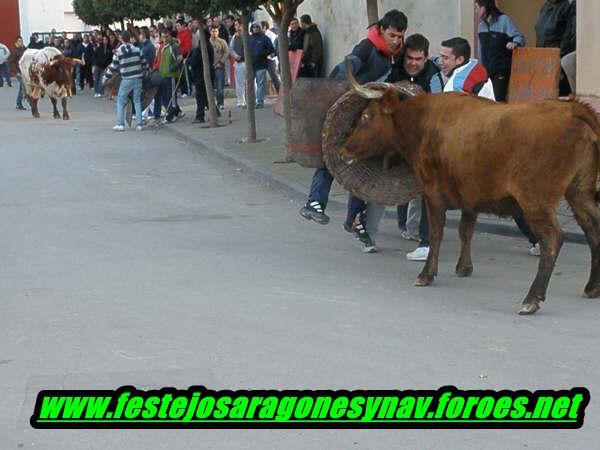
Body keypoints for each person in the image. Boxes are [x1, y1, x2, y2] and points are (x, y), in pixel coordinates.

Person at [300, 9, 407, 253]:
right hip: (346, 116)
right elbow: (342, 71)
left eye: (400, 36)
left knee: (362, 170)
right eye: (392, 35)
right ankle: (315, 202)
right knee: (330, 158)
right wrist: (337, 101)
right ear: (381, 30)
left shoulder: (388, 55)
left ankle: (354, 221)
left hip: (366, 121)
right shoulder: (366, 49)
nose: (396, 41)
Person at [424, 37, 540, 259]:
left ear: (459, 58)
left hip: (478, 146)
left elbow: (451, 119)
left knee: (507, 194)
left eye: (446, 58)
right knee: (509, 194)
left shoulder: (459, 83)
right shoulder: (472, 66)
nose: (441, 61)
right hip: (489, 138)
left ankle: (427, 243)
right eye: (441, 56)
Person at [390, 33, 444, 259]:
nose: (413, 63)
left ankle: (426, 242)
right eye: (409, 58)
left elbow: (439, 112)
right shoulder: (395, 71)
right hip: (402, 138)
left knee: (426, 189)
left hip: (427, 140)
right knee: (404, 180)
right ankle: (405, 227)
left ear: (426, 58)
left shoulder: (433, 78)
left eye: (418, 59)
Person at [475, 0, 525, 102]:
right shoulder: (480, 26)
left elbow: (520, 38)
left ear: (484, 8)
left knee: (498, 99)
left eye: (476, 8)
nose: (475, 11)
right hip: (487, 71)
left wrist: (514, 43)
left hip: (501, 69)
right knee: (485, 99)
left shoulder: (503, 20)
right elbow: (480, 51)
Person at [103, 31, 148, 132]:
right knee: (137, 100)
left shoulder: (119, 51)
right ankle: (139, 124)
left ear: (121, 39)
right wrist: (145, 71)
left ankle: (120, 124)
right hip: (138, 78)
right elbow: (144, 63)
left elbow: (113, 67)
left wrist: (105, 77)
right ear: (130, 38)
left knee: (120, 100)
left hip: (126, 79)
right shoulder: (137, 49)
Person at [153, 30, 184, 123]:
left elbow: (180, 59)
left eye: (167, 37)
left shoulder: (174, 47)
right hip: (163, 76)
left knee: (172, 97)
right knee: (166, 97)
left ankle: (171, 115)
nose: (165, 39)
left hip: (171, 76)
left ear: (170, 37)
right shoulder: (162, 47)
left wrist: (171, 68)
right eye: (163, 37)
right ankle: (176, 112)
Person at [189, 27, 215, 124]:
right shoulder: (207, 45)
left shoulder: (203, 47)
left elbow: (194, 61)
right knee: (206, 95)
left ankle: (200, 116)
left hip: (201, 75)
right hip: (205, 73)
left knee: (200, 96)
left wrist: (189, 62)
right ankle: (215, 112)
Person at [248, 22, 275, 109]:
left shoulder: (265, 38)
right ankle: (251, 102)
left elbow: (271, 49)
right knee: (250, 84)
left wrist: (262, 53)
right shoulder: (249, 38)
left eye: (257, 27)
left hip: (261, 64)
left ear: (260, 28)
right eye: (253, 27)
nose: (255, 28)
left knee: (261, 84)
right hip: (250, 65)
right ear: (251, 29)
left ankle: (259, 102)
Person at [210, 26, 228, 109]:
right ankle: (210, 104)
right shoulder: (207, 42)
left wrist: (221, 62)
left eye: (216, 31)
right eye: (213, 31)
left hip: (219, 66)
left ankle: (220, 103)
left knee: (219, 86)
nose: (214, 33)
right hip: (210, 67)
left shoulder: (222, 42)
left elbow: (226, 52)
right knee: (210, 87)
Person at [229, 19, 246, 108]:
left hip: (247, 62)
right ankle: (240, 101)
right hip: (239, 62)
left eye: (238, 25)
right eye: (235, 25)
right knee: (239, 83)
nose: (237, 27)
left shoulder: (247, 35)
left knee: (251, 82)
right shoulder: (234, 37)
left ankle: (252, 99)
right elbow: (231, 49)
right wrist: (235, 56)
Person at [560, 0, 576, 92]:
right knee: (566, 61)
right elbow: (568, 32)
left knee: (567, 61)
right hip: (569, 48)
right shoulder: (571, 10)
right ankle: (575, 92)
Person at [175, 20, 193, 97]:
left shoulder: (187, 33)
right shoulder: (178, 34)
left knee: (185, 74)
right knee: (181, 75)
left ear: (183, 26)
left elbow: (188, 47)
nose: (177, 27)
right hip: (179, 56)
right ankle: (183, 91)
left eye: (178, 25)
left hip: (185, 56)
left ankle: (188, 90)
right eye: (176, 26)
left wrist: (184, 55)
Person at [8, 37, 26, 109]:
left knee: (23, 86)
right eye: (19, 41)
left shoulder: (24, 49)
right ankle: (20, 103)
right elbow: (11, 63)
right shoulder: (14, 51)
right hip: (18, 71)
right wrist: (16, 72)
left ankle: (19, 103)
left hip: (24, 71)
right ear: (16, 42)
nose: (21, 42)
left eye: (21, 41)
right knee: (22, 85)